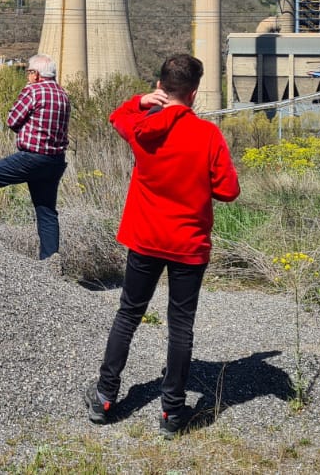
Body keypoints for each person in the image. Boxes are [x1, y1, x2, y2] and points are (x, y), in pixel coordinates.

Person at [87, 54, 240, 434]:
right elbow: (228, 190)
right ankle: (172, 411)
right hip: (188, 244)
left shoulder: (143, 126)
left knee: (128, 314)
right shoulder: (208, 135)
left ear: (161, 86)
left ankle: (106, 396)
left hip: (145, 237)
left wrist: (140, 101)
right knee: (180, 326)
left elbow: (116, 117)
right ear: (194, 91)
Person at [0, 54, 70, 260]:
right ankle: (51, 260)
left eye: (28, 72)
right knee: (46, 211)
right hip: (55, 160)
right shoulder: (63, 94)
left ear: (36, 74)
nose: (27, 76)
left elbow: (12, 120)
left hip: (33, 157)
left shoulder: (33, 91)